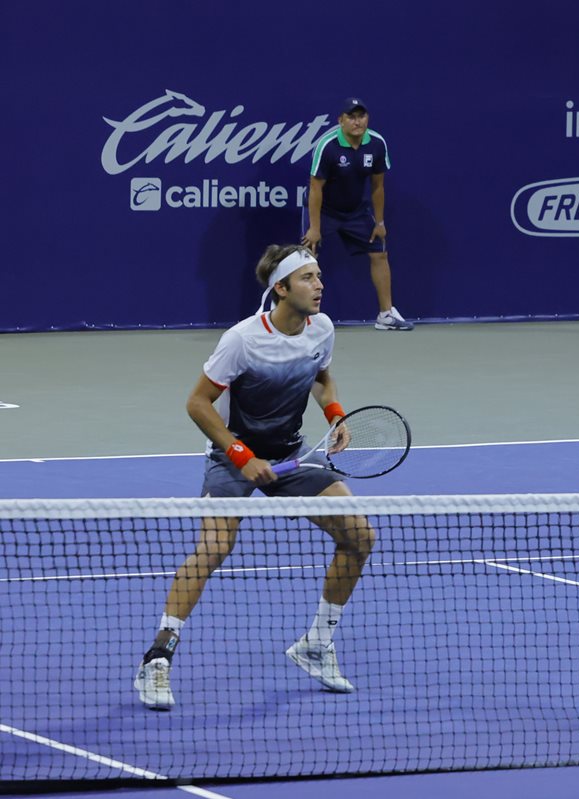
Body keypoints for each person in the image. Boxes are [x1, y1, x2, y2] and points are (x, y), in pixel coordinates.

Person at [134, 244, 377, 710]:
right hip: (233, 457)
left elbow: (321, 376)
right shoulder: (242, 340)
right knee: (214, 548)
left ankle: (316, 644)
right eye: (308, 278)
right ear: (280, 288)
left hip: (290, 456)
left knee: (359, 535)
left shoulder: (321, 328)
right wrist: (241, 455)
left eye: (319, 276)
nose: (320, 285)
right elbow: (198, 403)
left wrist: (335, 414)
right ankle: (157, 659)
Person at [301, 97, 413, 331]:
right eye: (351, 117)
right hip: (324, 210)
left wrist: (379, 222)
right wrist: (315, 227)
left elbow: (378, 187)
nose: (357, 121)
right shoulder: (328, 145)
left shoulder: (377, 143)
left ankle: (386, 315)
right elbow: (315, 188)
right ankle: (301, 317)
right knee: (307, 259)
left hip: (356, 212)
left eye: (361, 116)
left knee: (379, 253)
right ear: (340, 120)